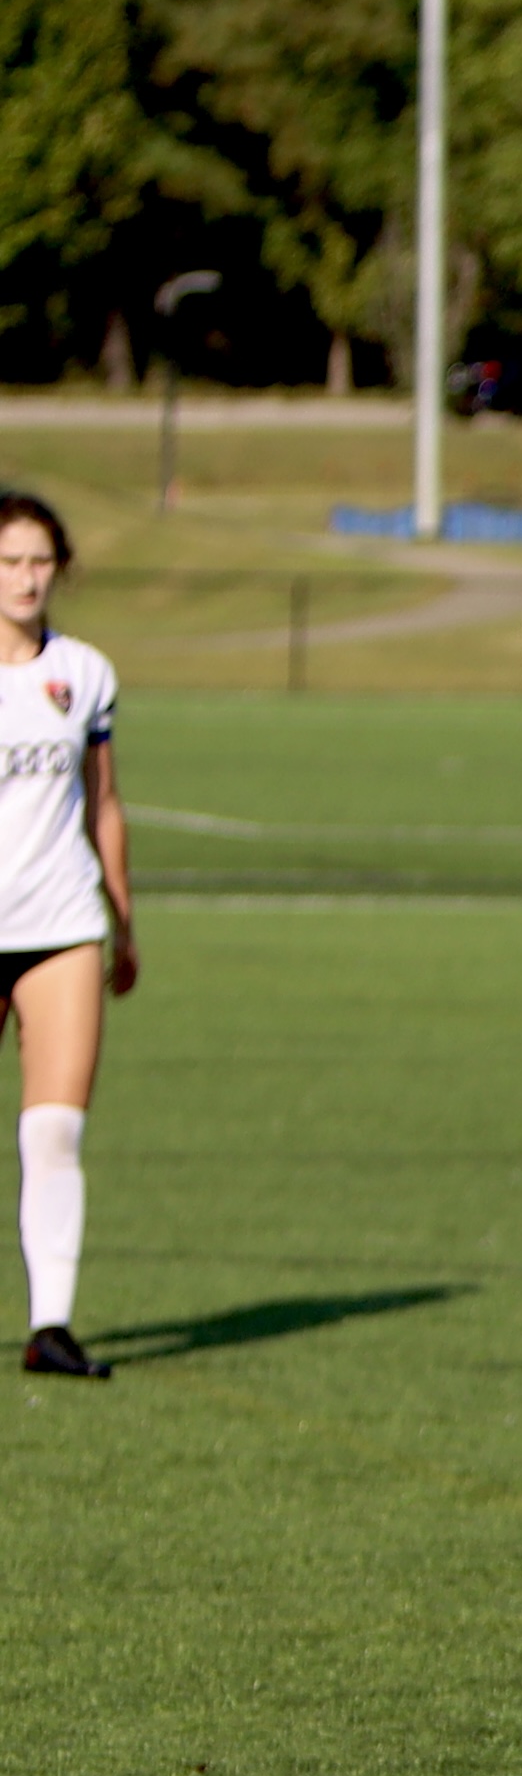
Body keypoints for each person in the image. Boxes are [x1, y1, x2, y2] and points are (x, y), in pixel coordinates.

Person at [0, 498, 126, 1381]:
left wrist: (124, 921)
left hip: (63, 924)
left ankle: (52, 1328)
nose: (25, 578)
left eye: (39, 561)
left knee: (54, 1132)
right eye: (9, 561)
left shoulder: (83, 673)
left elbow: (105, 803)